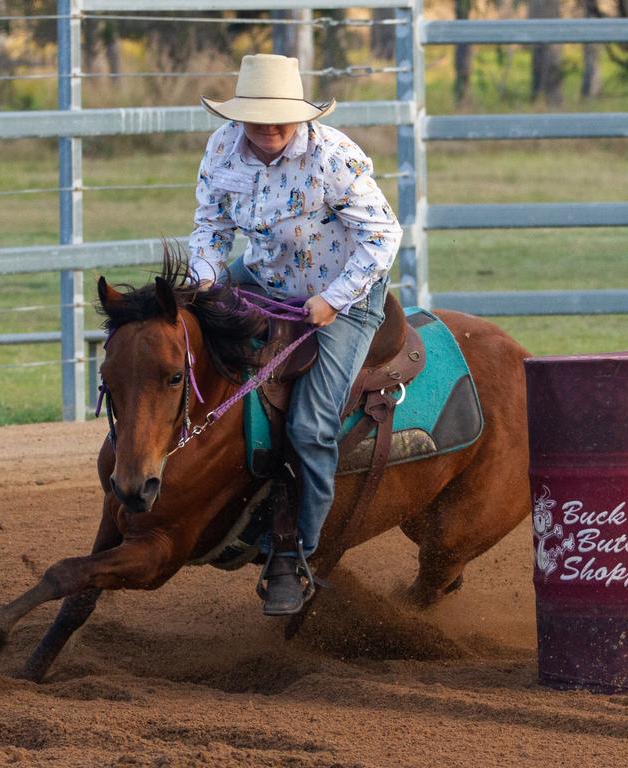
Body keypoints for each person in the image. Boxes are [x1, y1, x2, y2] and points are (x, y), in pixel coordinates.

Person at [188, 53, 403, 616]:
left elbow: (383, 238)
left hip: (341, 292)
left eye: (281, 117)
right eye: (259, 118)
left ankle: (296, 552)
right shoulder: (221, 151)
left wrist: (332, 301)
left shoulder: (334, 157)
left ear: (299, 115)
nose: (271, 128)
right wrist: (205, 286)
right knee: (182, 344)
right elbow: (210, 228)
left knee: (310, 426)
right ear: (241, 119)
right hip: (261, 278)